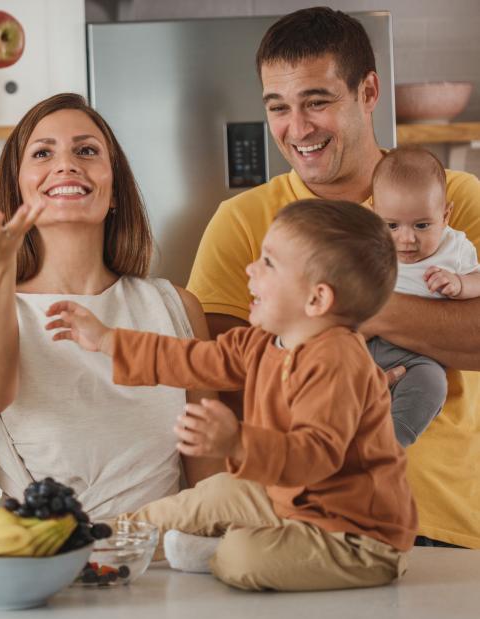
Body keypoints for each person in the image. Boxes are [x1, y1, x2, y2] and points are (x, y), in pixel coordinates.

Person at [186, 6, 480, 549]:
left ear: (368, 92)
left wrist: (334, 306)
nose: (297, 129)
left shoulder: (453, 199)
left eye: (317, 101)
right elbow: (225, 384)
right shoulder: (241, 221)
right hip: (305, 519)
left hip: (443, 525)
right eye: (279, 107)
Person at [48, 200, 416, 591]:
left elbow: (316, 455)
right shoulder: (262, 343)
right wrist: (107, 340)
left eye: (269, 263)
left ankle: (212, 551)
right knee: (203, 497)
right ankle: (93, 540)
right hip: (285, 497)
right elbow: (189, 358)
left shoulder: (338, 361)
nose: (251, 269)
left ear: (317, 300)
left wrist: (238, 441)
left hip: (354, 533)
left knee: (243, 558)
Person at [0, 93, 222, 521]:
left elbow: (208, 481)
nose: (66, 164)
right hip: (42, 566)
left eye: (86, 150)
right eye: (43, 153)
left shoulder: (175, 307)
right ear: (18, 189)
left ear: (114, 191)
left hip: (164, 567)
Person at [368, 147, 480, 447]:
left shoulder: (454, 249)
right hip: (362, 345)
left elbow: (478, 281)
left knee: (432, 384)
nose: (406, 239)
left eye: (421, 225)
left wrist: (460, 284)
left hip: (418, 357)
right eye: (392, 225)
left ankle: (391, 441)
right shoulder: (366, 244)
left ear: (445, 216)